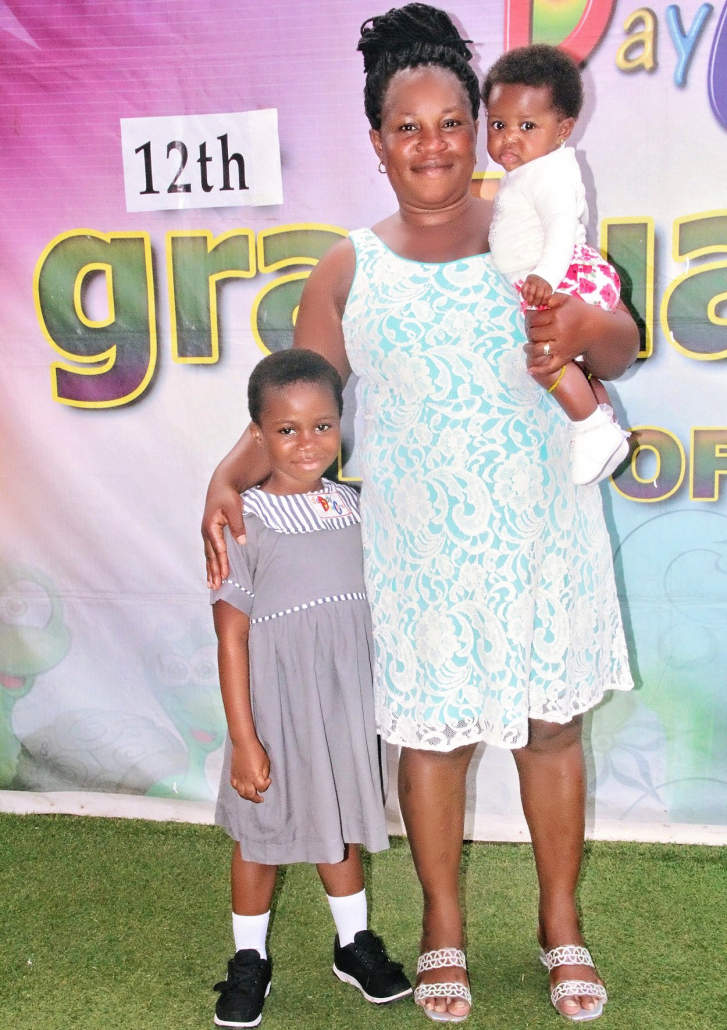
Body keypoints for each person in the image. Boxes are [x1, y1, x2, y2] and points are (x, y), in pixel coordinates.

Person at [203, 5, 637, 1023]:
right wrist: (225, 475)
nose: (432, 144)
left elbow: (613, 345)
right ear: (376, 142)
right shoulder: (348, 267)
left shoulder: (531, 233)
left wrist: (583, 321)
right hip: (417, 553)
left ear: (480, 132)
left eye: (452, 123)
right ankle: (442, 926)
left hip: (543, 535)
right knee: (432, 743)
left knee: (550, 728)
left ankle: (560, 922)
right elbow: (299, 399)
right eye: (407, 127)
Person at [209, 349, 412, 1028]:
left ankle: (353, 944)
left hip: (344, 707)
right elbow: (231, 638)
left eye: (322, 426)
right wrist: (244, 739)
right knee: (260, 836)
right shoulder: (242, 520)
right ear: (258, 435)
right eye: (287, 429)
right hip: (274, 712)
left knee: (339, 825)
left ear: (340, 423)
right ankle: (249, 959)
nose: (307, 443)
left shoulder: (356, 508)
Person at [483, 44, 630, 487]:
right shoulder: (528, 173)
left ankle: (591, 430)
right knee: (572, 365)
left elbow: (562, 225)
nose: (509, 137)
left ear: (563, 129)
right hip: (549, 278)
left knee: (546, 360)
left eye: (527, 126)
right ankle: (602, 422)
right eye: (498, 124)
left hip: (560, 279)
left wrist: (543, 278)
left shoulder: (547, 173)